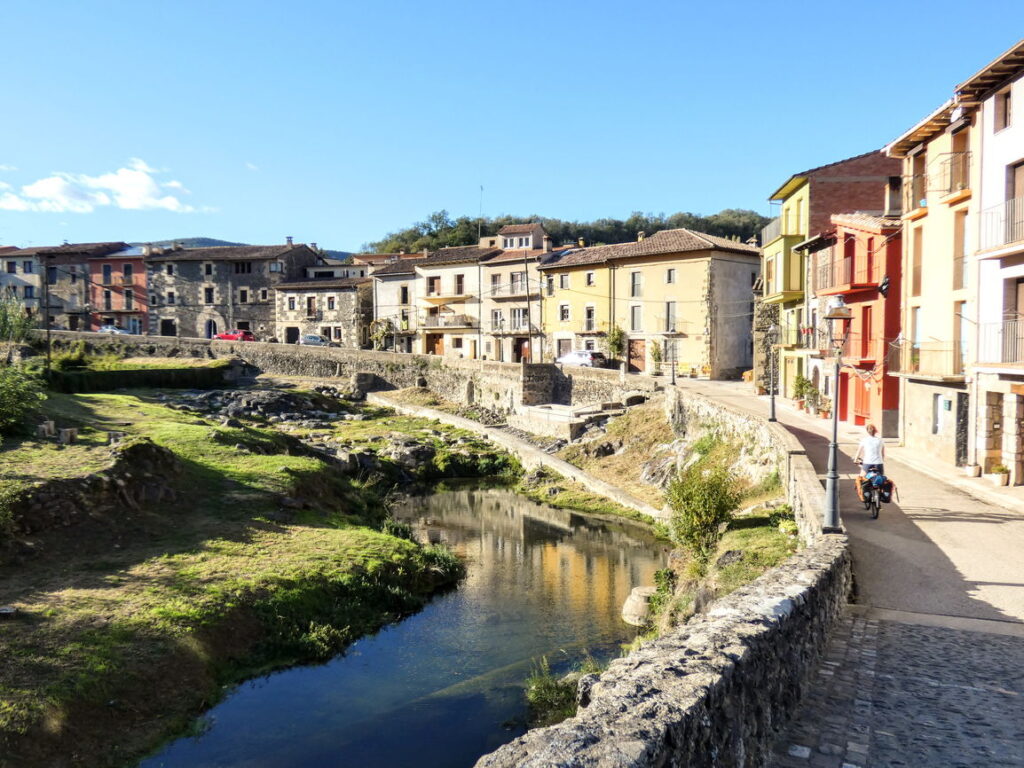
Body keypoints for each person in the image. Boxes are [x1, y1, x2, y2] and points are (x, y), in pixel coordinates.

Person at [853, 424, 885, 502]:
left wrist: (855, 460)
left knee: (861, 478)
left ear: (867, 431)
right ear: (875, 431)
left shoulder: (864, 440)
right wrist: (881, 461)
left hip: (867, 463)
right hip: (879, 464)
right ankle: (880, 495)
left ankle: (865, 495)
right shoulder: (880, 440)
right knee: (880, 479)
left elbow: (858, 452)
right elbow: (883, 454)